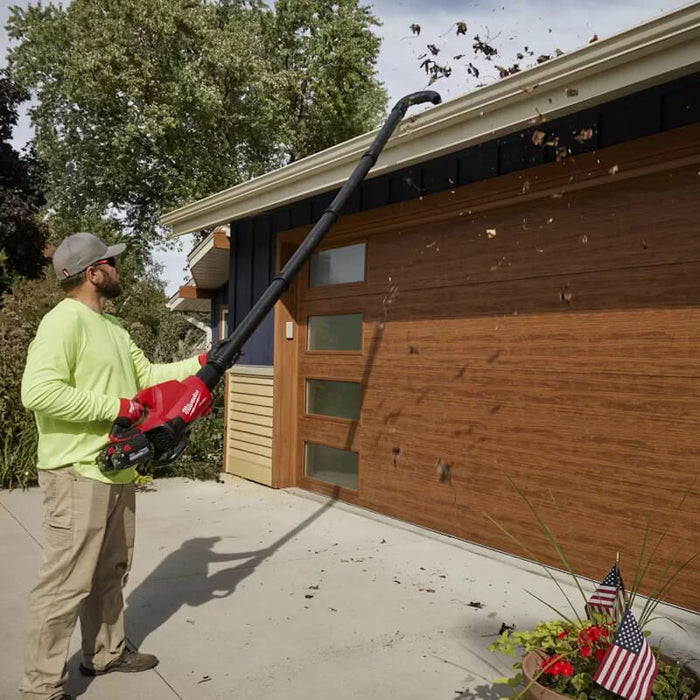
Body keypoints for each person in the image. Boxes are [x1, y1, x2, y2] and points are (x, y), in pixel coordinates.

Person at [20, 233, 212, 700]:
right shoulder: (62, 323)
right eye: (112, 263)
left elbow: (146, 378)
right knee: (66, 582)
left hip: (117, 469)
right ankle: (41, 687)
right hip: (76, 473)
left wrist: (204, 363)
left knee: (111, 572)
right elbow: (39, 393)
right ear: (92, 273)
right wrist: (116, 407)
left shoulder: (114, 329)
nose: (118, 270)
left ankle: (104, 653)